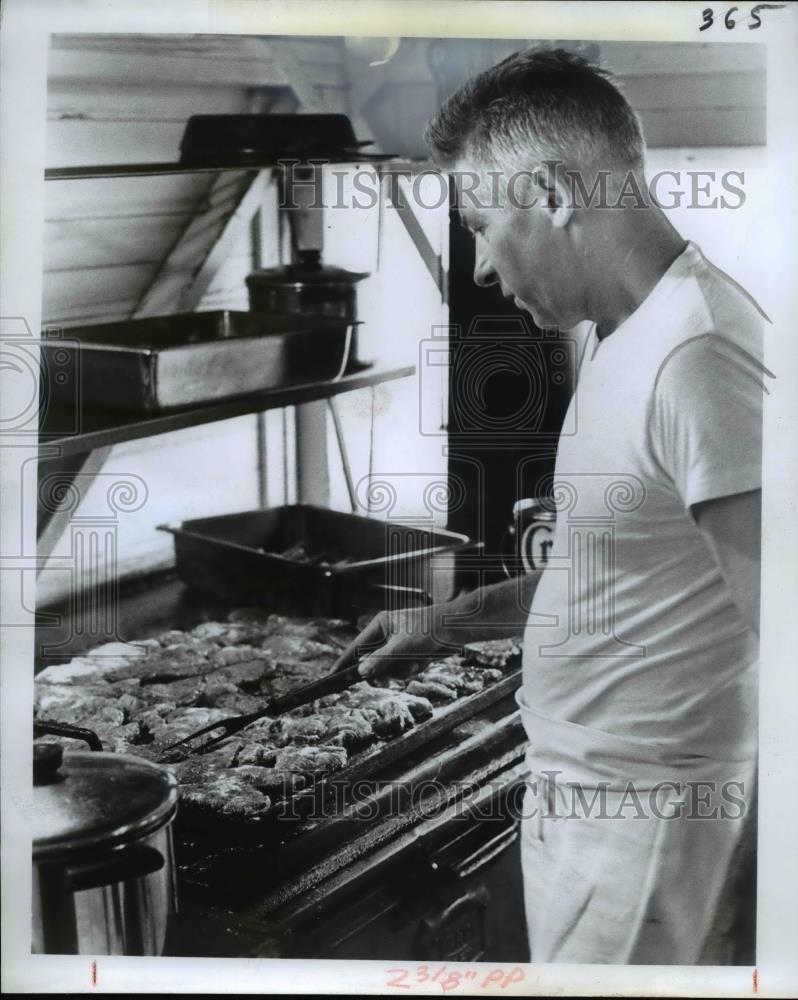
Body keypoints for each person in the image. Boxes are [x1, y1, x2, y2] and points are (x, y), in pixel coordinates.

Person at [336, 47, 768, 964]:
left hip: (655, 826)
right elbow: (612, 575)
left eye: (483, 224)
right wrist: (445, 623)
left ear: (556, 195)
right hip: (585, 807)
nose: (483, 267)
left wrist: (756, 910)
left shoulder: (704, 358)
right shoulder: (622, 337)